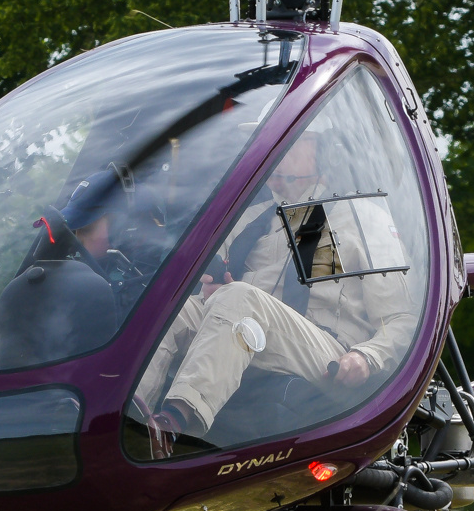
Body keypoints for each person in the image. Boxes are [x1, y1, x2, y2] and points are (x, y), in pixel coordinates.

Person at [134, 130, 415, 449]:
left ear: (326, 153)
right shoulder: (247, 220)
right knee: (171, 310)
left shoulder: (361, 217)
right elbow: (216, 290)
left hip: (324, 349)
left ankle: (172, 426)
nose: (273, 149)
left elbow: (401, 319)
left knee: (239, 297)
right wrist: (207, 287)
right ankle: (126, 418)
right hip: (243, 328)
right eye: (268, 141)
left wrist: (369, 357)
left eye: (291, 141)